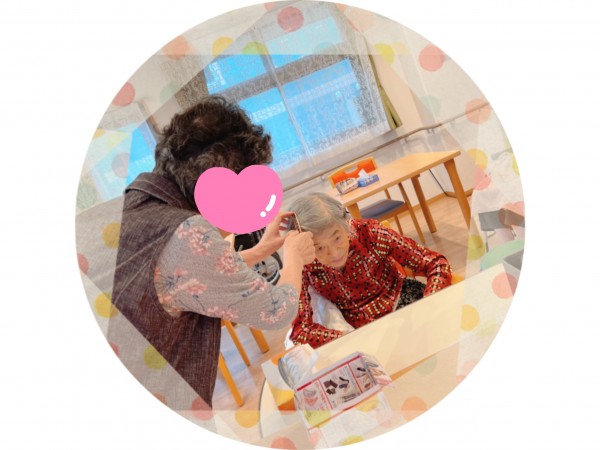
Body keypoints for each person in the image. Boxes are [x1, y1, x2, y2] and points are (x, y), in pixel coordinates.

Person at [111, 95, 315, 408]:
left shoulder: (134, 202)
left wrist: (261, 249)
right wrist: (294, 257)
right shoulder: (187, 233)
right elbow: (276, 311)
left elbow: (182, 279)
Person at [288, 192, 452, 349]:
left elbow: (436, 263)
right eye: (319, 248)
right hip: (358, 331)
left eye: (337, 238)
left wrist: (430, 302)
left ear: (345, 223)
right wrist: (346, 339)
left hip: (402, 303)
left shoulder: (371, 233)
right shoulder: (303, 263)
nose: (334, 253)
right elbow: (300, 331)